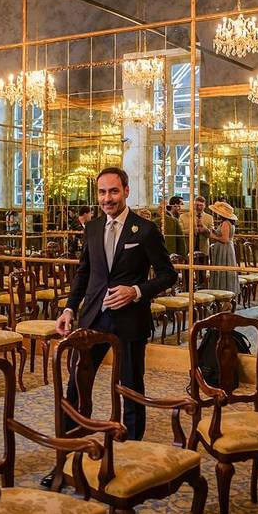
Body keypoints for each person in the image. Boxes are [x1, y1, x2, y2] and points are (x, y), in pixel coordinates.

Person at [53, 167, 176, 460]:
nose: (107, 198)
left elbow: (168, 275)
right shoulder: (92, 228)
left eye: (113, 191)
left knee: (131, 388)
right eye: (102, 192)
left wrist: (135, 291)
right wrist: (70, 307)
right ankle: (69, 454)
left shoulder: (145, 230)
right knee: (76, 386)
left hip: (130, 320)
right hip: (93, 318)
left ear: (126, 191)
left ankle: (131, 457)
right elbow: (84, 273)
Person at [207, 201, 240, 294]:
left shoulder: (226, 223)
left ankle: (225, 294)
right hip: (226, 248)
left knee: (223, 272)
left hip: (224, 249)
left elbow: (225, 239)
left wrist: (212, 236)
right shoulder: (228, 223)